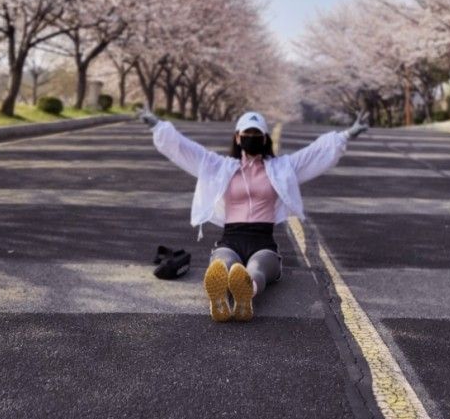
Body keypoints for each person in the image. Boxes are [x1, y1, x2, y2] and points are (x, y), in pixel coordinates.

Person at [138, 106, 369, 322]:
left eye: (257, 135)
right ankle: (220, 296)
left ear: (265, 139)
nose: (252, 138)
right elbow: (184, 148)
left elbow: (315, 153)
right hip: (230, 240)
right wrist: (157, 125)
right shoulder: (219, 166)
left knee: (255, 269)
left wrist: (349, 134)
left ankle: (245, 296)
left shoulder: (282, 168)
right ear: (237, 138)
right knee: (223, 264)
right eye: (247, 133)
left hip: (264, 243)